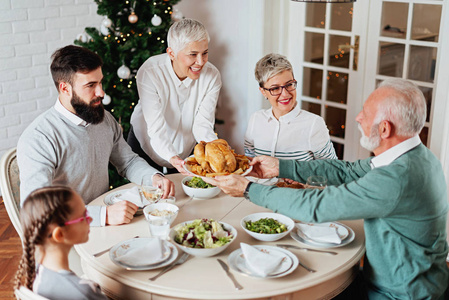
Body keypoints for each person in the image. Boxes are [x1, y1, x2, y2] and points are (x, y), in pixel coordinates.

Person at [205, 78, 449, 299]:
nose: (358, 118)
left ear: (384, 129)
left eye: (366, 113)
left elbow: (316, 206)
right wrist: (281, 167)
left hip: (399, 294)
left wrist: (249, 190)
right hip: (406, 281)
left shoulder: (397, 177)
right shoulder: (416, 156)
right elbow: (347, 172)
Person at [17, 45, 174, 226]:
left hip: (104, 223)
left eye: (100, 82)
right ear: (65, 88)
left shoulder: (104, 119)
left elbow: (128, 162)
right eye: (90, 85)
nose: (101, 92)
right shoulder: (38, 138)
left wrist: (153, 177)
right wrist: (103, 216)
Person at [127, 18, 222, 174]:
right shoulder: (150, 72)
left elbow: (203, 124)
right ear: (171, 53)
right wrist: (172, 156)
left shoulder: (212, 76)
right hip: (146, 139)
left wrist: (217, 150)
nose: (200, 62)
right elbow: (156, 129)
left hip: (186, 144)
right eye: (193, 54)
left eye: (205, 53)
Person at [15, 186, 108, 299]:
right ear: (59, 234)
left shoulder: (39, 273)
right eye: (83, 217)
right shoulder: (83, 292)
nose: (91, 219)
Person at [245, 53, 337, 161]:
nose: (285, 94)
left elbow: (332, 169)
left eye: (289, 85)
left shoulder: (314, 124)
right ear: (263, 92)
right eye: (275, 88)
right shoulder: (256, 119)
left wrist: (300, 176)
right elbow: (248, 160)